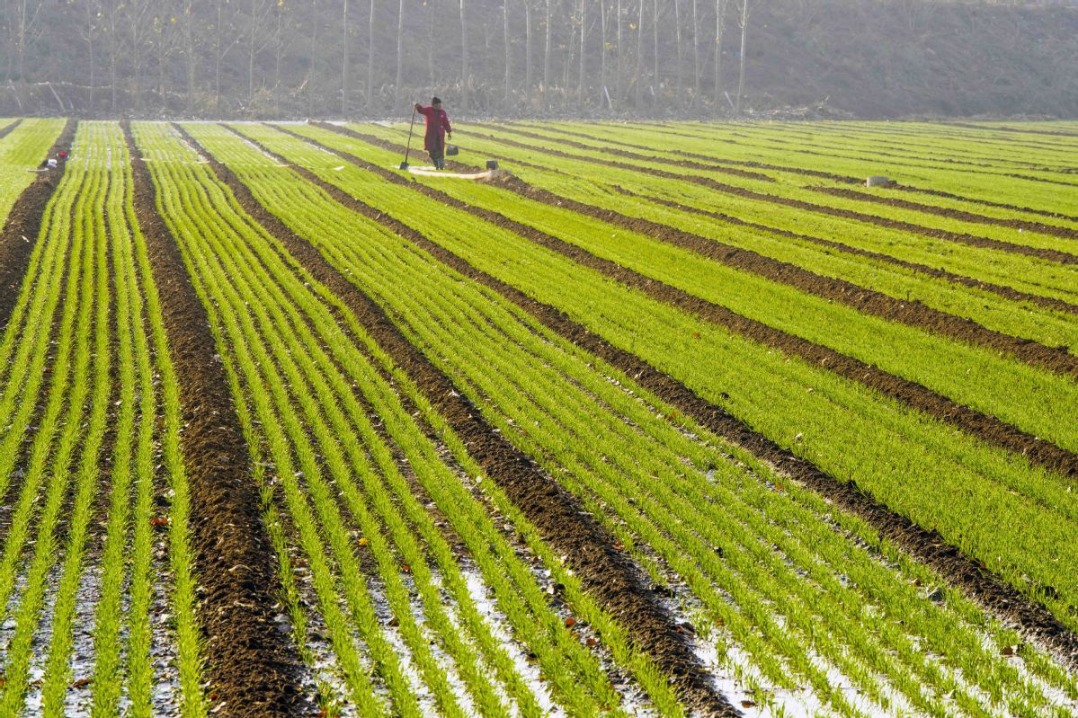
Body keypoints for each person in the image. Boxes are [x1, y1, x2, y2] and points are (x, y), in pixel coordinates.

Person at [414, 97, 452, 170]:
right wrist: (418, 106)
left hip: (439, 135)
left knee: (440, 149)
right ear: (434, 105)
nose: (440, 106)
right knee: (431, 150)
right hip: (430, 135)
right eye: (438, 105)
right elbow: (421, 110)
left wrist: (449, 131)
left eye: (440, 105)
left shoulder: (442, 112)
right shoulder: (429, 110)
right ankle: (436, 164)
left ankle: (441, 164)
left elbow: (446, 122)